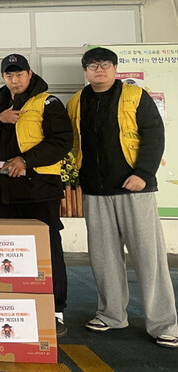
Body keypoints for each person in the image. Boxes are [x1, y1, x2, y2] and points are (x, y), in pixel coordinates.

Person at [67, 47, 178, 348]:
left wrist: (143, 173)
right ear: (85, 71)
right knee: (103, 258)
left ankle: (165, 324)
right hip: (95, 190)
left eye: (105, 64)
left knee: (149, 257)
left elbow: (154, 135)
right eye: (92, 65)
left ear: (115, 69)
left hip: (135, 188)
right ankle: (112, 315)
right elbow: (73, 141)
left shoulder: (135, 96)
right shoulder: (76, 102)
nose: (99, 70)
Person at [0, 54, 72, 337]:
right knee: (11, 252)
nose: (14, 80)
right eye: (9, 75)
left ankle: (55, 310)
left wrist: (26, 160)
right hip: (5, 191)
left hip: (39, 189)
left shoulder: (47, 102)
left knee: (48, 249)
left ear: (30, 74)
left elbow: (62, 141)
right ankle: (20, 305)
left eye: (19, 74)